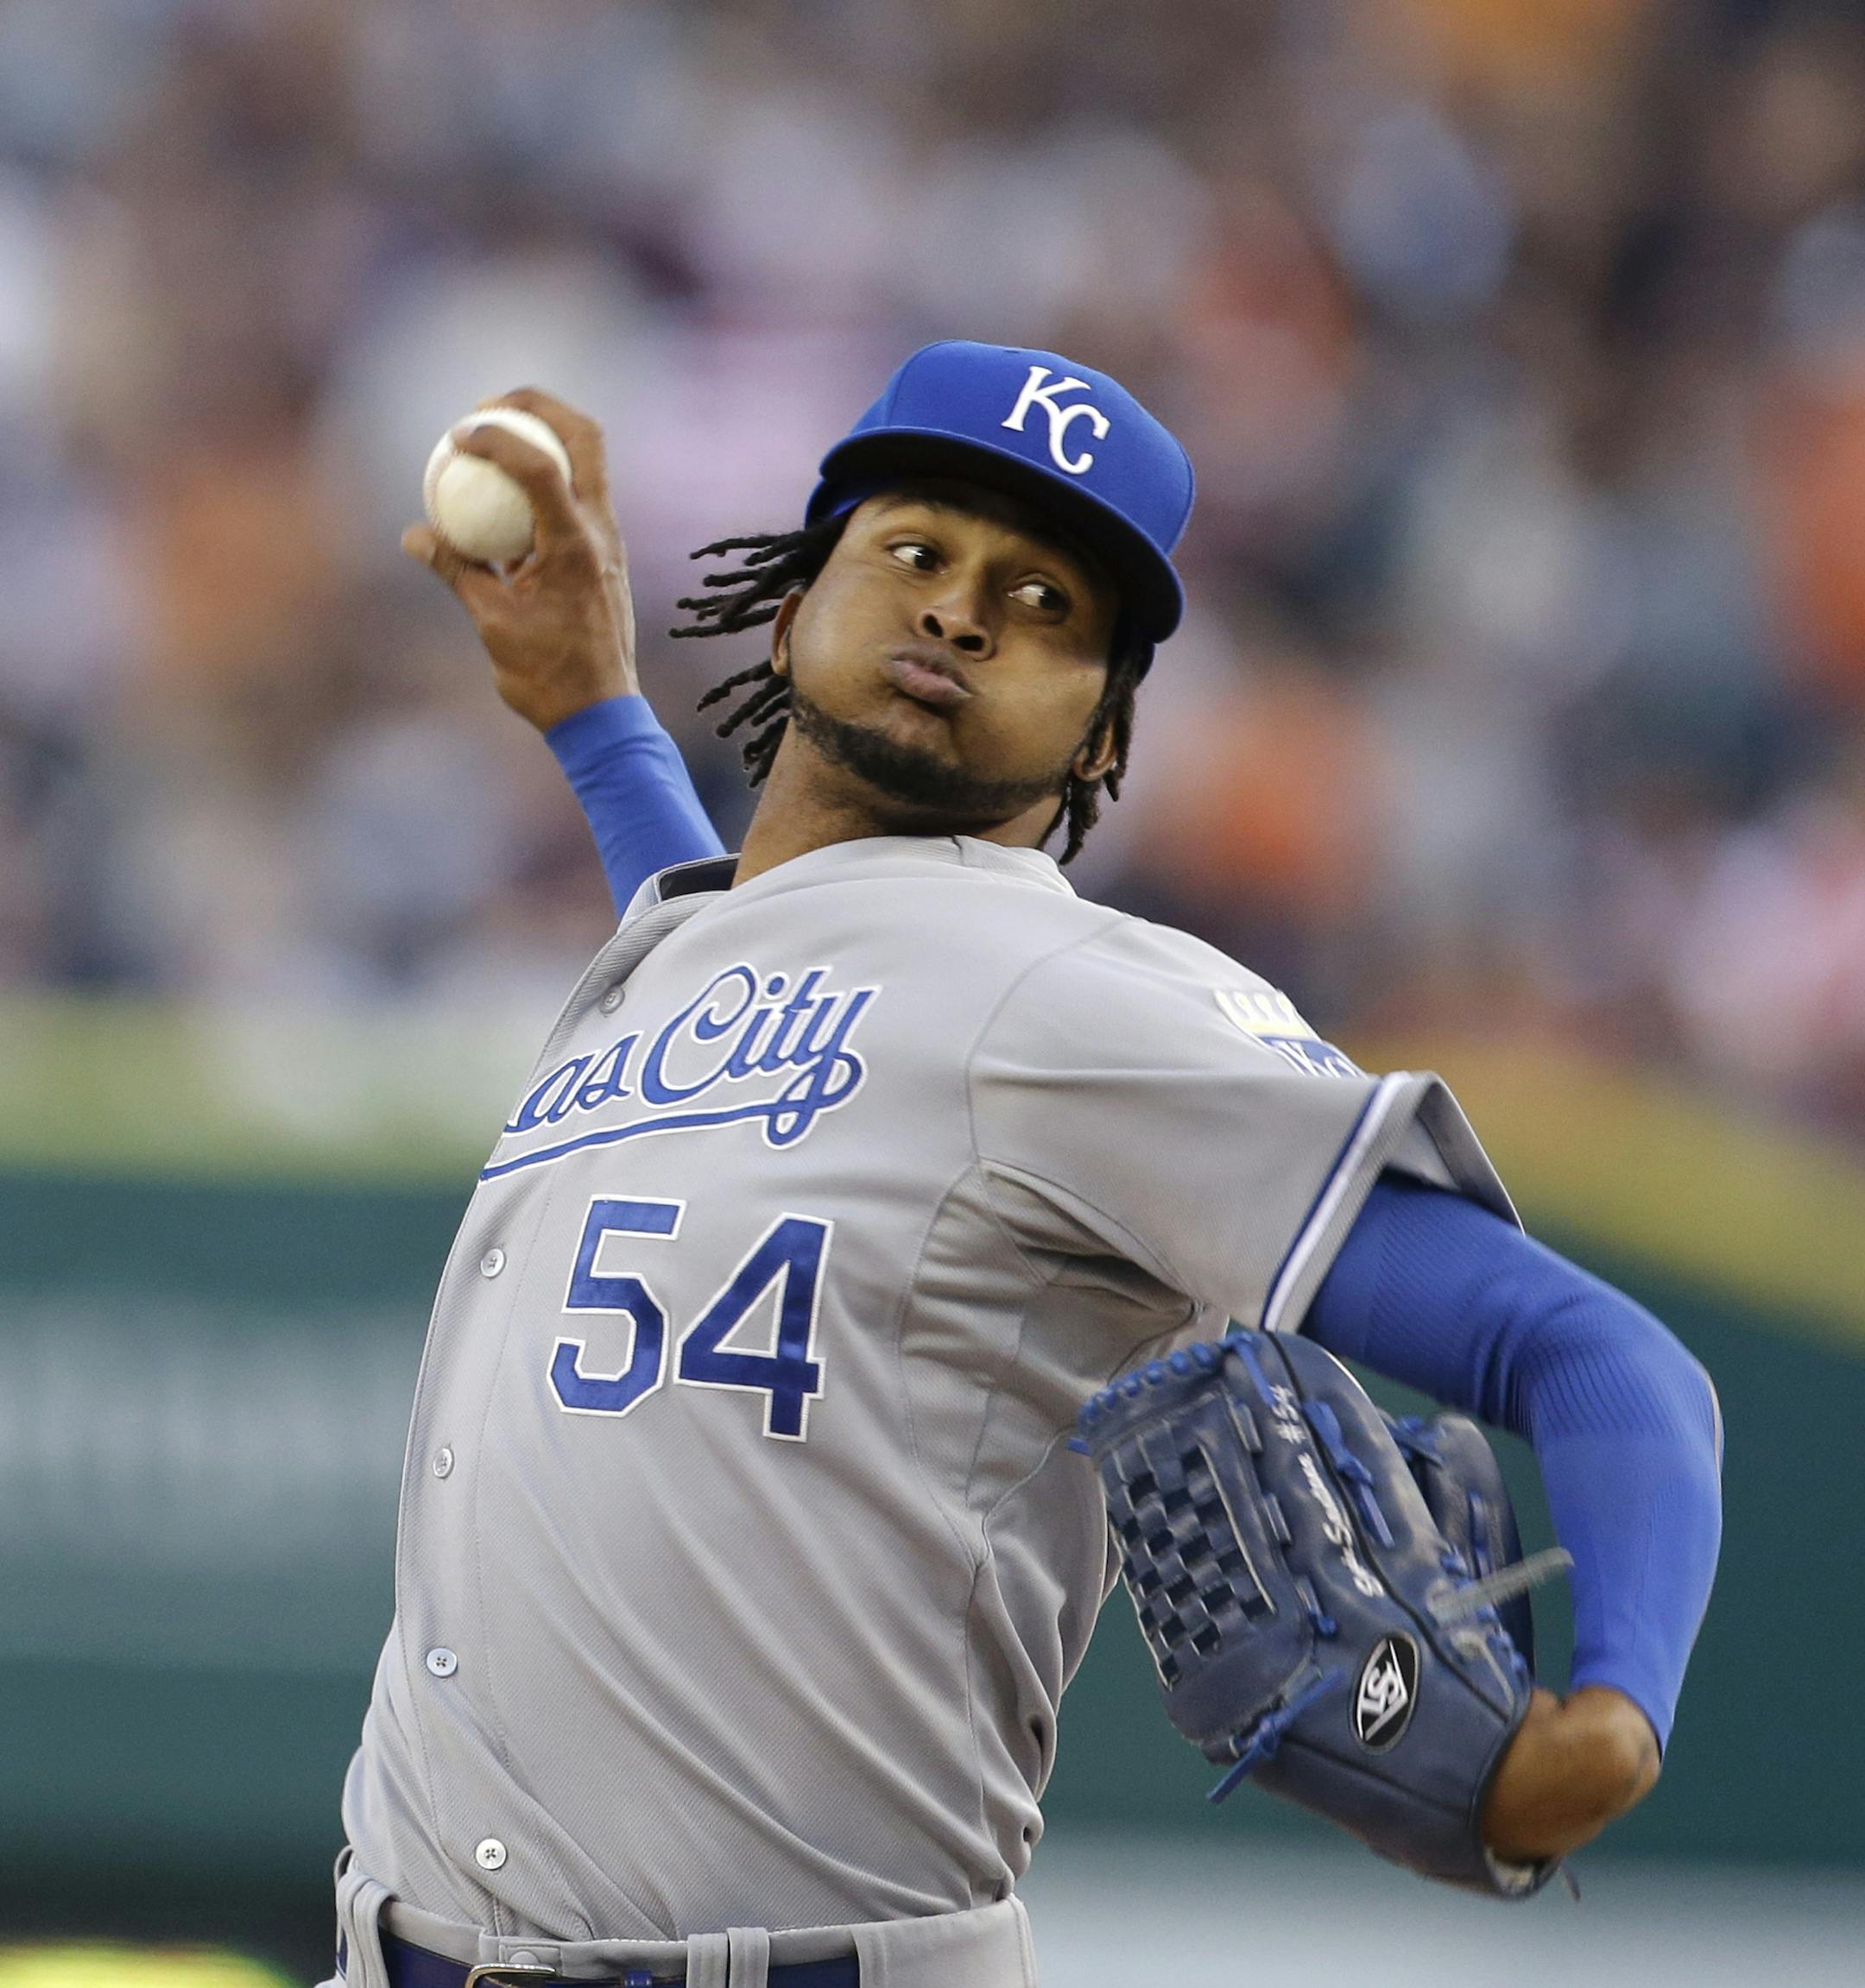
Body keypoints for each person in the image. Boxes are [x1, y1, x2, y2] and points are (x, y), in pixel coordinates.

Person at [327, 344, 1722, 1988]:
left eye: (1047, 604)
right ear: (790, 612)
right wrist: (595, 716)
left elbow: (1599, 1357)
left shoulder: (1080, 1004)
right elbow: (752, 958)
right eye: (916, 554)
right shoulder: (687, 963)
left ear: (1100, 744)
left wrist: (1617, 1713)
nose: (963, 612)